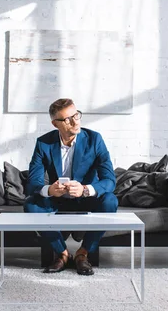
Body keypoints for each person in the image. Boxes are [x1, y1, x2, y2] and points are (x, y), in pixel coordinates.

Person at [24, 98, 118, 275]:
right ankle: (62, 253)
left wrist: (85, 189)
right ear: (55, 124)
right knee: (31, 204)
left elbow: (109, 180)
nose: (75, 121)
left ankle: (82, 253)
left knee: (110, 201)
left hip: (85, 200)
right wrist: (49, 190)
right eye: (67, 119)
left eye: (76, 115)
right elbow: (32, 183)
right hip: (57, 200)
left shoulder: (94, 139)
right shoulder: (43, 143)